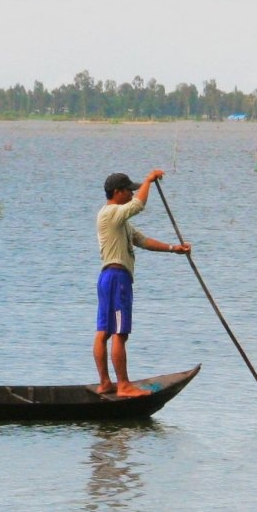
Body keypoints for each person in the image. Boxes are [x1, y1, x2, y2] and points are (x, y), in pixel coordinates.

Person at [95, 168, 191, 396]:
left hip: (109, 278)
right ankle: (124, 386)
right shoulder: (110, 213)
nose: (131, 194)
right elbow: (138, 205)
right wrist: (149, 180)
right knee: (119, 333)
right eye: (128, 191)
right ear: (117, 192)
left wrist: (173, 249)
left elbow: (143, 241)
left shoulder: (120, 222)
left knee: (105, 332)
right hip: (117, 278)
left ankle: (106, 384)